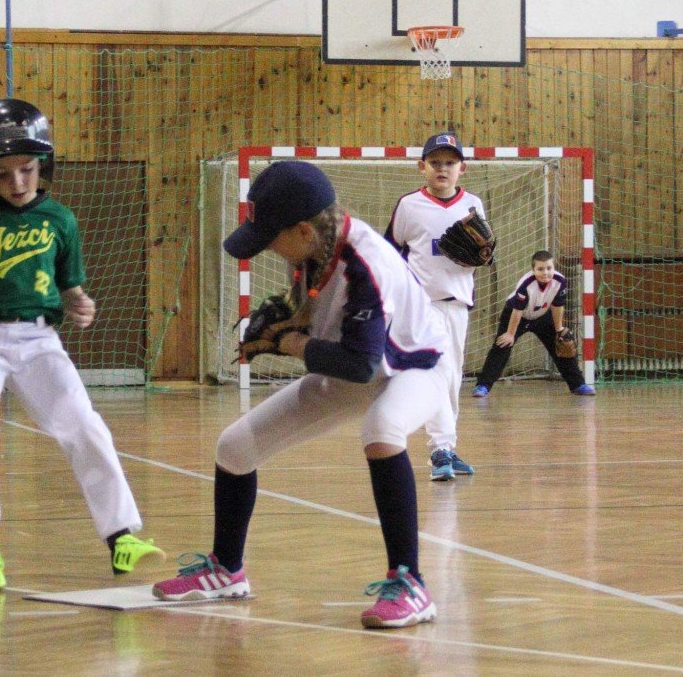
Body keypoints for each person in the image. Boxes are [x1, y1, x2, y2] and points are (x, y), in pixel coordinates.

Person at [153, 160, 453, 630]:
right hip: (364, 367)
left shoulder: (365, 262)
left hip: (417, 367)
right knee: (234, 448)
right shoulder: (313, 252)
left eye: (272, 236)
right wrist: (285, 324)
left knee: (383, 427)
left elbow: (360, 364)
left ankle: (410, 582)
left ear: (301, 230)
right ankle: (227, 570)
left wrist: (287, 343)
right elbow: (316, 315)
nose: (268, 247)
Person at [0, 98, 163, 592]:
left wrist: (80, 304)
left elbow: (70, 289)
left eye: (27, 169)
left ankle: (122, 535)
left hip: (38, 337)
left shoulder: (61, 219)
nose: (17, 183)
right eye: (2, 173)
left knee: (83, 424)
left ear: (43, 164)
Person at [384, 131, 485, 481]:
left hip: (456, 304)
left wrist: (482, 256)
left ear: (463, 169)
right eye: (436, 162)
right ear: (421, 166)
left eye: (450, 163)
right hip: (419, 307)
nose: (443, 169)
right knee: (436, 375)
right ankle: (440, 448)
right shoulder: (409, 205)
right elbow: (390, 250)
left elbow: (482, 253)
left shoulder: (473, 205)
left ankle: (446, 447)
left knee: (451, 377)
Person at [472, 250, 595, 397]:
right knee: (502, 346)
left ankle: (578, 384)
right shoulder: (526, 284)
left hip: (542, 316)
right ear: (533, 270)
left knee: (562, 344)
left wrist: (559, 329)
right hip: (516, 316)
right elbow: (517, 311)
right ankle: (483, 386)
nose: (545, 273)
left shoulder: (560, 281)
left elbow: (557, 306)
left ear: (553, 267)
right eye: (540, 269)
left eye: (549, 268)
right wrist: (510, 334)